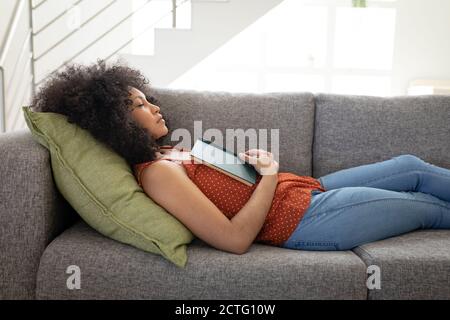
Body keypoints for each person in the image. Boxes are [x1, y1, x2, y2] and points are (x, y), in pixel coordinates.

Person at [31, 60, 450, 255]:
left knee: (410, 166)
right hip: (304, 220)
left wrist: (258, 168)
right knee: (428, 208)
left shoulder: (166, 152)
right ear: (113, 121)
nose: (155, 107)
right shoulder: (157, 175)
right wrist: (266, 176)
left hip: (307, 192)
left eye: (149, 99)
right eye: (140, 104)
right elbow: (234, 241)